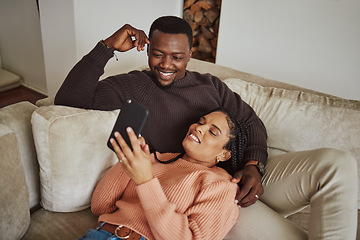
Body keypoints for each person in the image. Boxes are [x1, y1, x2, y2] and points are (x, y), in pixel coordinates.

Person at [56, 16, 357, 239]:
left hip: (240, 173)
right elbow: (68, 99)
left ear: (190, 54)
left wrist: (254, 165)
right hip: (204, 194)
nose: (166, 64)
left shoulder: (209, 85)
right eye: (158, 54)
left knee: (337, 164)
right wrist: (107, 47)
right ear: (147, 49)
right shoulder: (133, 85)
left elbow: (250, 122)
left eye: (177, 56)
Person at [80, 108, 245, 240]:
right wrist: (127, 159)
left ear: (224, 154)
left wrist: (146, 181)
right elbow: (100, 207)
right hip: (97, 234)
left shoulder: (221, 184)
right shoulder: (154, 158)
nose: (199, 128)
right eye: (200, 122)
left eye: (213, 132)